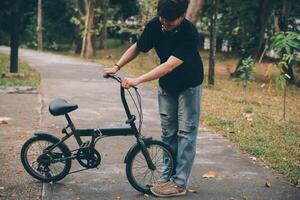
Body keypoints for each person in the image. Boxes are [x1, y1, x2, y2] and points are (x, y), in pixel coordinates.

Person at [103, 0, 203, 197]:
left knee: (186, 132)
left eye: (170, 21)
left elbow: (169, 65)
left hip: (189, 85)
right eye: (162, 18)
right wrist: (117, 66)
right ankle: (166, 176)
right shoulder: (155, 25)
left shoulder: (189, 32)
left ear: (183, 16)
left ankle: (180, 183)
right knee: (168, 133)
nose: (165, 23)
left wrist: (138, 79)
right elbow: (138, 46)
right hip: (167, 86)